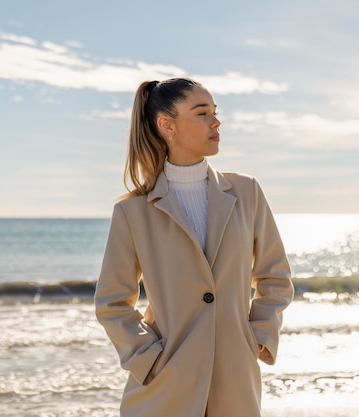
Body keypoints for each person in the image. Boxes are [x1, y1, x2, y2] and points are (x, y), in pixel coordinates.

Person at [94, 78, 294, 417]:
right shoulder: (132, 211)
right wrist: (146, 357)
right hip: (165, 384)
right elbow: (112, 302)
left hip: (234, 379)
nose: (215, 122)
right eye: (202, 113)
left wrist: (257, 338)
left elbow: (275, 277)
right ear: (166, 125)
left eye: (215, 113)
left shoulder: (246, 192)